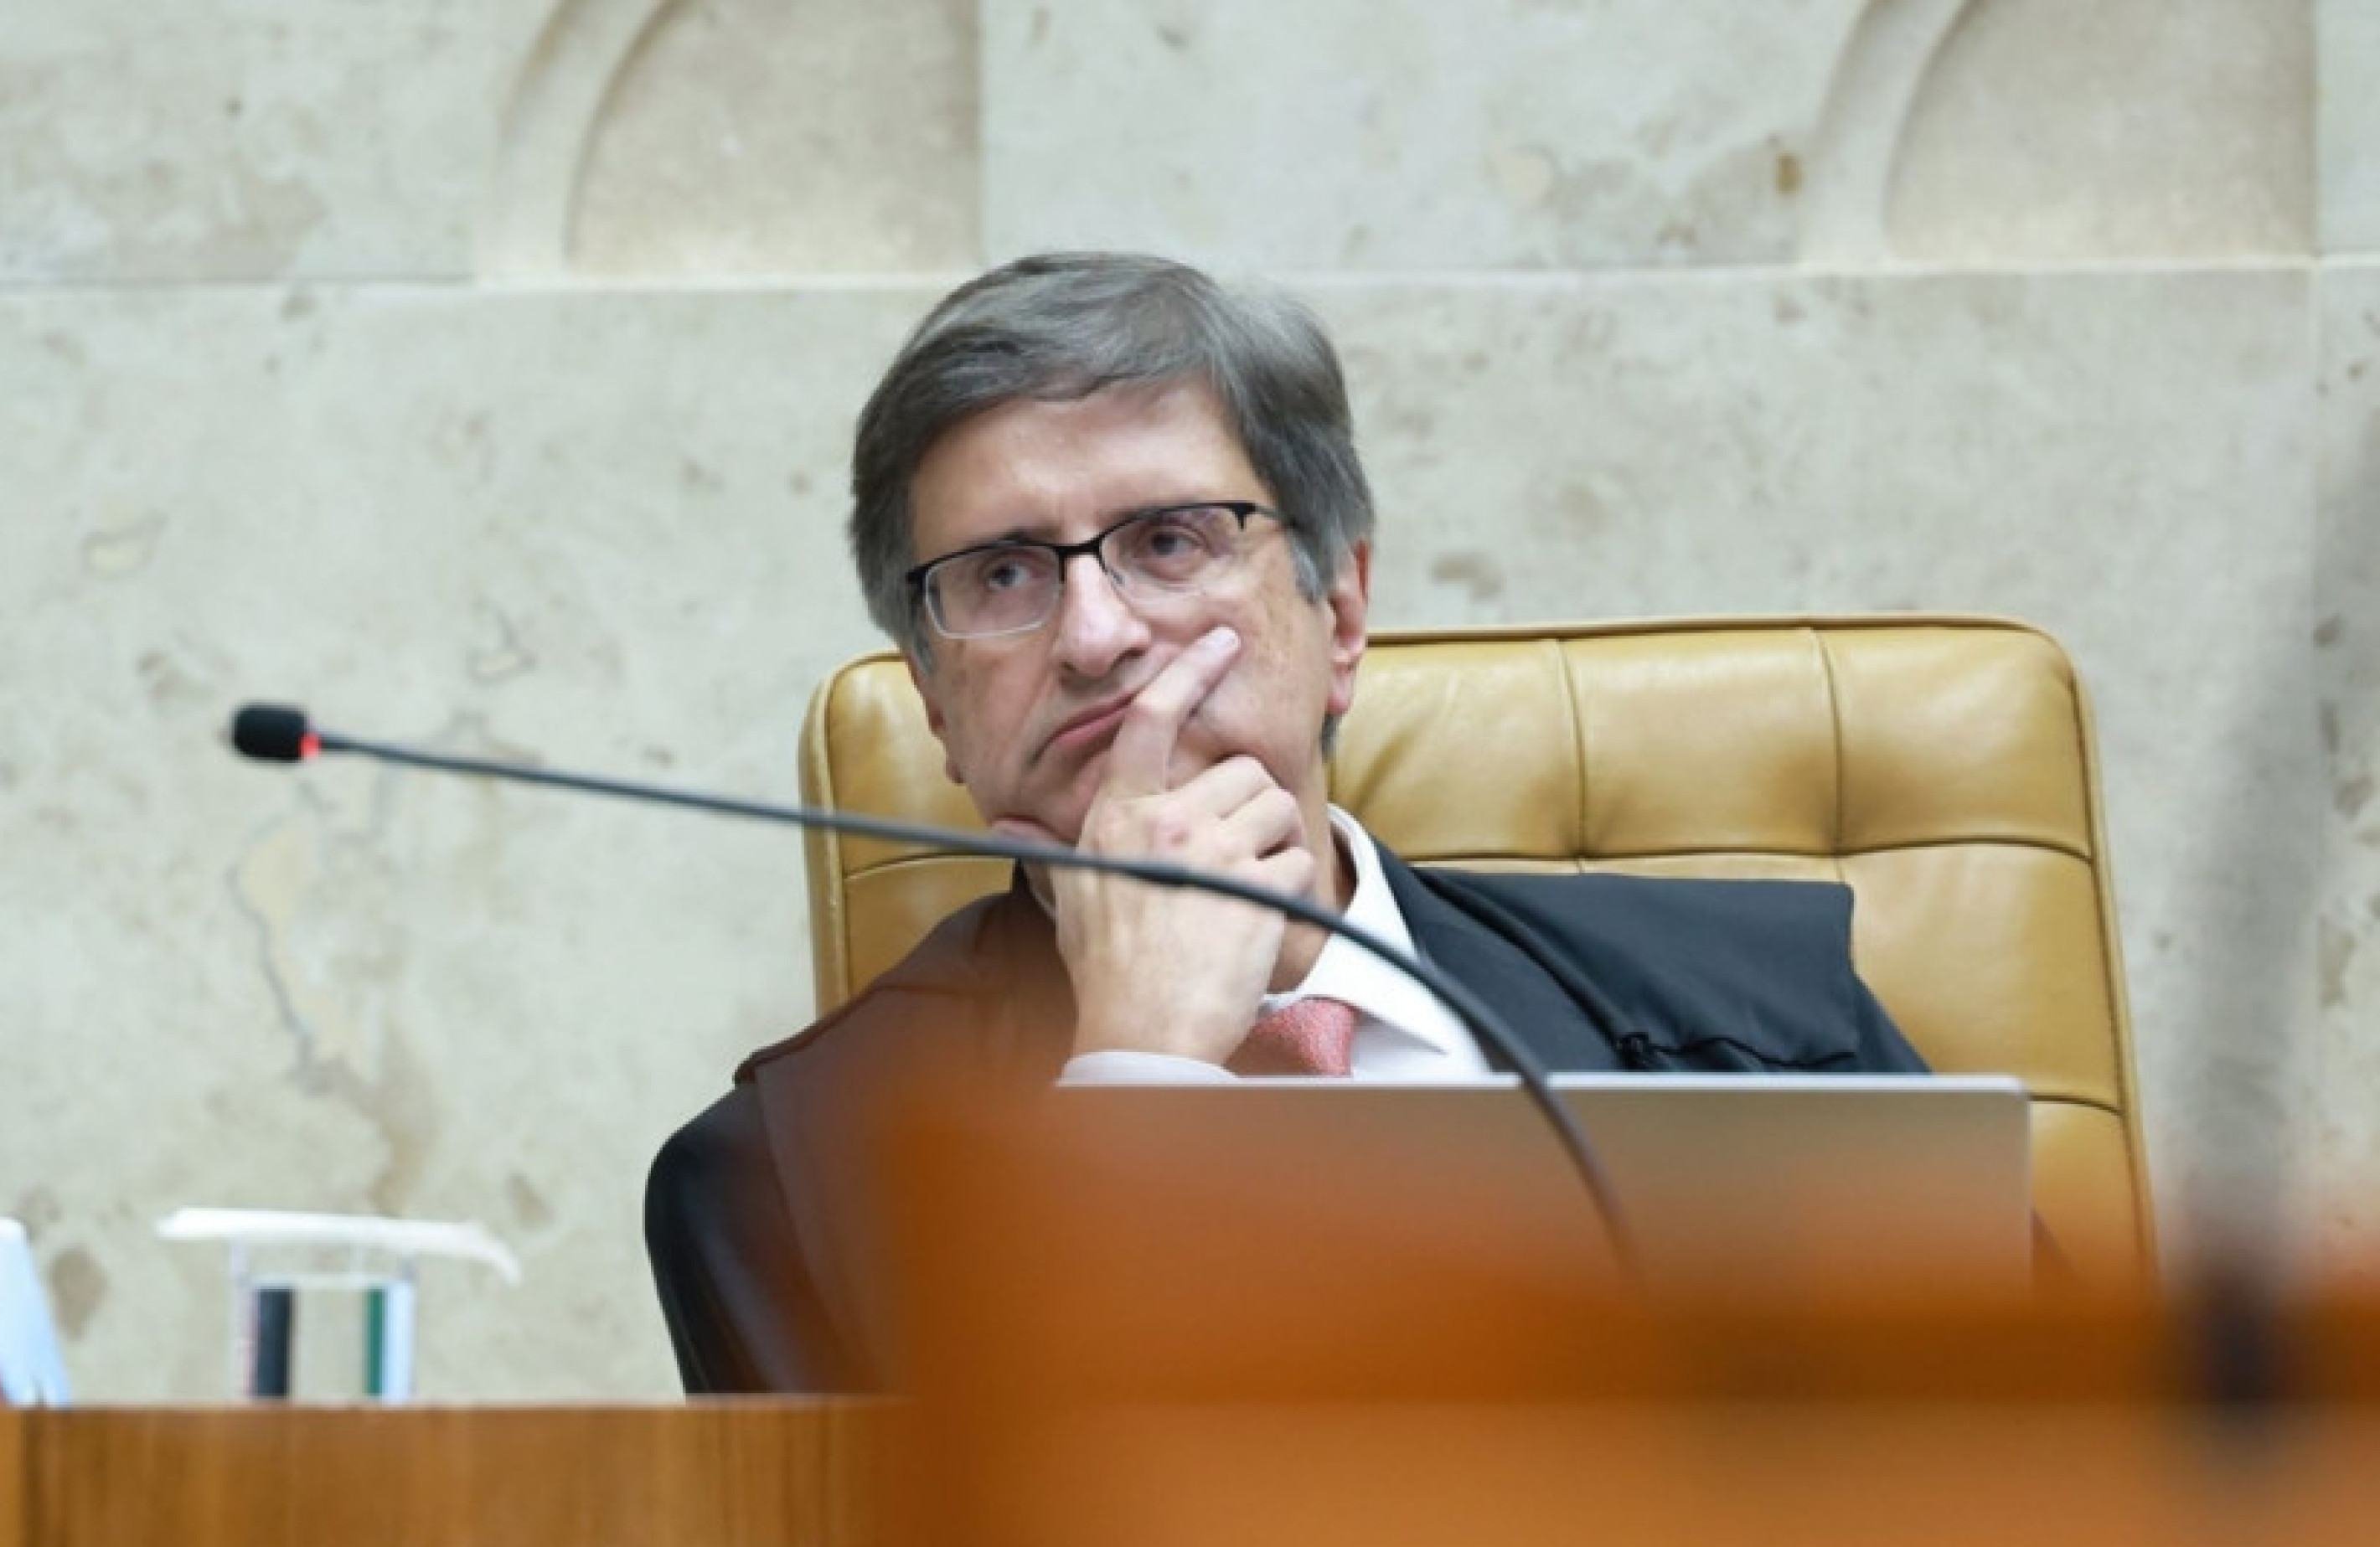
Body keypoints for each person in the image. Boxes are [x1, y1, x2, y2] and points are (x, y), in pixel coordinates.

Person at [645, 253, 1929, 1394]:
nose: (1094, 635)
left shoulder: (1765, 1022)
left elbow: (2001, 1502)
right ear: (935, 701)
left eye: (1168, 540)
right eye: (1002, 573)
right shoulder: (782, 1185)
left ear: (1343, 614)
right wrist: (1140, 1076)